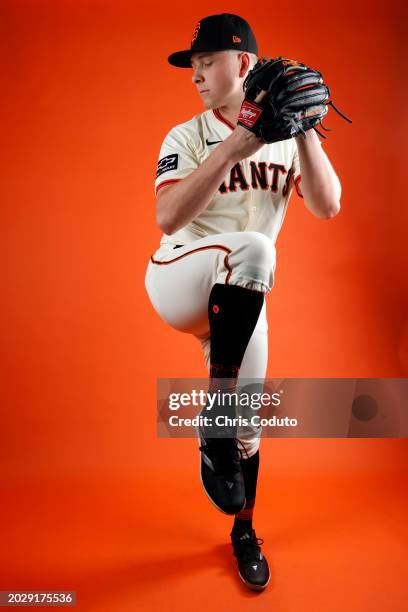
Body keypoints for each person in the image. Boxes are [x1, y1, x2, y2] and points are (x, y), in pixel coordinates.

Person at [145, 13, 341, 591]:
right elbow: (166, 216)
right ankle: (215, 422)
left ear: (245, 64)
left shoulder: (285, 142)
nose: (197, 74)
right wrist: (237, 142)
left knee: (248, 430)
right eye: (194, 65)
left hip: (243, 297)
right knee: (254, 248)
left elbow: (328, 206)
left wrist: (304, 126)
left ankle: (244, 528)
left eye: (207, 62)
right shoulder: (186, 136)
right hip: (180, 275)